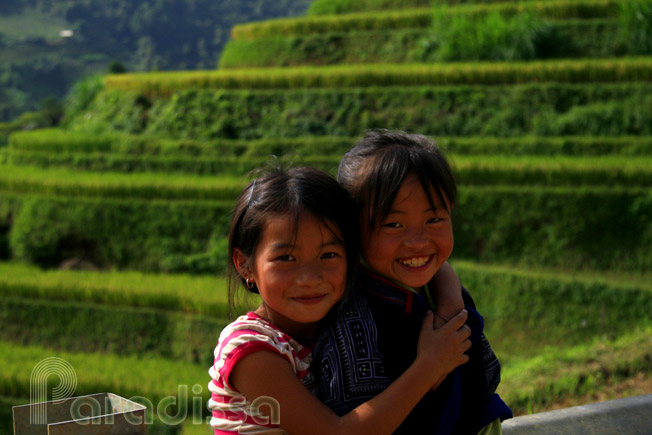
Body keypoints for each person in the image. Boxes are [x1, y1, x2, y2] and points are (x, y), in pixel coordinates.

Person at [208, 166, 473, 434]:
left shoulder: (338, 316)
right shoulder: (250, 348)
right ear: (245, 265)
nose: (310, 278)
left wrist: (451, 306)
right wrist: (429, 366)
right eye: (286, 259)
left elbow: (431, 263)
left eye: (328, 255)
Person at [311, 130, 513, 434]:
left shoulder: (439, 292)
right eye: (393, 225)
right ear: (352, 229)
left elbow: (484, 379)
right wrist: (429, 369)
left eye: (434, 220)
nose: (418, 242)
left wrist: (451, 305)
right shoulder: (353, 319)